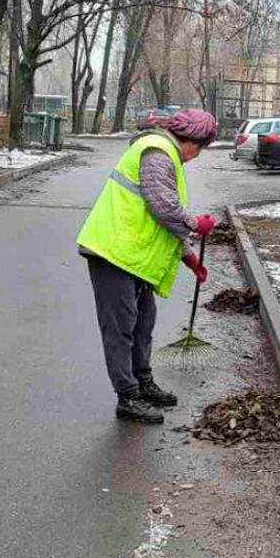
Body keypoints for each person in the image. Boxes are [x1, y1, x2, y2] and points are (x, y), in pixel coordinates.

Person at [77, 109, 218, 423]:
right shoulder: (157, 152)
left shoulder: (167, 154)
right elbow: (163, 207)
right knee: (120, 330)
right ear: (191, 140)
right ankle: (127, 397)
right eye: (200, 148)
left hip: (135, 257)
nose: (197, 155)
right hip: (112, 252)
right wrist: (196, 223)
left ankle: (142, 382)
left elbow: (163, 221)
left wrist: (189, 258)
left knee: (143, 324)